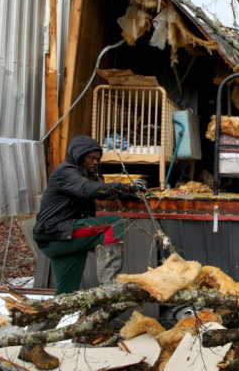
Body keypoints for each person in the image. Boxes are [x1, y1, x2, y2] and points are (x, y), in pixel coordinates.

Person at [19, 135, 147, 369]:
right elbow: (89, 190)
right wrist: (125, 186)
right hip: (56, 234)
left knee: (65, 299)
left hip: (63, 238)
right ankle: (110, 288)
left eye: (98, 159)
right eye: (91, 158)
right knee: (113, 224)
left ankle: (30, 345)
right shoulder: (66, 171)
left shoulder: (79, 175)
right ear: (79, 155)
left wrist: (128, 194)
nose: (95, 163)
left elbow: (94, 189)